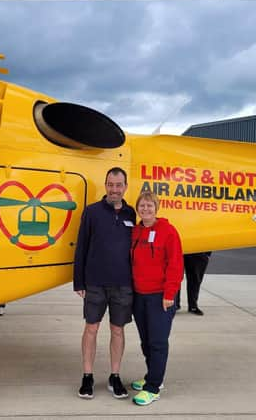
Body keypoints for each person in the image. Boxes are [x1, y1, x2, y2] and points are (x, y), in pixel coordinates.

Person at [73, 167, 136, 400]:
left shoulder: (131, 214)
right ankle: (87, 376)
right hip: (95, 283)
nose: (114, 189)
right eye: (110, 184)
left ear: (125, 187)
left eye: (119, 185)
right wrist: (78, 281)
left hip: (123, 284)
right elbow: (81, 248)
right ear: (105, 185)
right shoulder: (91, 212)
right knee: (91, 328)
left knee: (117, 330)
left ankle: (115, 376)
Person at [130, 190, 183, 406]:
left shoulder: (168, 232)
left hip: (160, 296)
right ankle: (153, 374)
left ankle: (153, 387)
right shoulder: (135, 231)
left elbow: (176, 265)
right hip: (139, 295)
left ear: (156, 208)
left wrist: (169, 294)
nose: (145, 209)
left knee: (158, 342)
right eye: (142, 206)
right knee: (146, 341)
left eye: (149, 206)